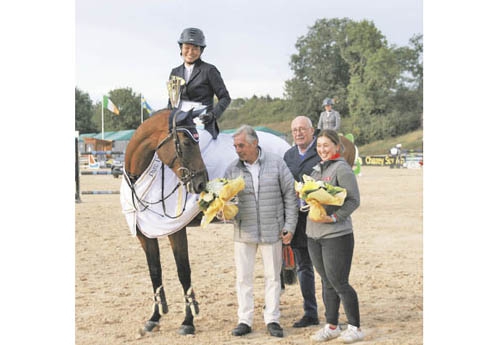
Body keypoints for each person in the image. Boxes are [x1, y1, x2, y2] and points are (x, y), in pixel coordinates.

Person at [224, 125, 298, 338]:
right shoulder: (232, 169)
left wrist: (289, 226)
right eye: (235, 146)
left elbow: (290, 197)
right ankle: (244, 319)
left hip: (272, 230)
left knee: (273, 277)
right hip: (243, 232)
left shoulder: (277, 163)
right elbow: (227, 201)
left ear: (254, 143)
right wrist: (223, 212)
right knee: (243, 278)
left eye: (241, 145)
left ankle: (272, 319)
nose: (237, 150)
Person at [306, 129, 364, 343]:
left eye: (326, 146)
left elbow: (353, 200)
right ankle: (332, 325)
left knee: (339, 282)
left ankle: (355, 327)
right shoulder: (315, 170)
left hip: (337, 235)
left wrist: (334, 218)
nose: (322, 150)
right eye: (319, 146)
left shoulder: (342, 169)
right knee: (326, 282)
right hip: (313, 235)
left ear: (337, 147)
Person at [283, 116, 321, 328]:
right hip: (298, 221)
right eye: (294, 129)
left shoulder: (322, 151)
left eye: (302, 129)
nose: (298, 133)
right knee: (303, 268)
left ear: (311, 130)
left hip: (320, 219)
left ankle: (332, 313)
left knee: (324, 270)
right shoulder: (288, 155)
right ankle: (310, 313)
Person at [168, 27, 231, 139]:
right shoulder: (175, 72)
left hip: (203, 125)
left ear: (201, 50)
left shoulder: (209, 70)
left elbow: (225, 98)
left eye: (195, 48)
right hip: (180, 123)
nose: (190, 52)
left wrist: (213, 115)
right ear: (181, 48)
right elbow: (172, 103)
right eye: (187, 48)